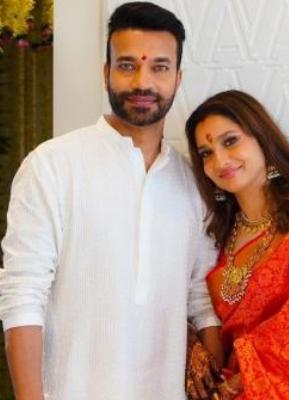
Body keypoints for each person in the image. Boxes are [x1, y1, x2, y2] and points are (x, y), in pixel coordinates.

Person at [0, 2, 222, 399]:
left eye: (159, 67)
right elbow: (22, 296)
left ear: (178, 78)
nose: (142, 82)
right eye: (126, 65)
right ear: (106, 74)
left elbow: (202, 300)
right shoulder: (52, 165)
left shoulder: (193, 183)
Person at [182, 90, 289, 399]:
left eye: (230, 141)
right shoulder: (216, 236)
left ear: (262, 139)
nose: (220, 160)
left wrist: (244, 379)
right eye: (206, 153)